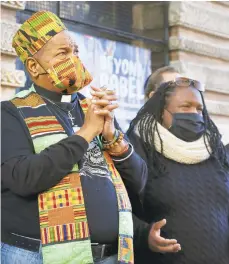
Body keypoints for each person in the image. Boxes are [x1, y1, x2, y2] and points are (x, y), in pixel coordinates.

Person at [1, 11, 148, 264]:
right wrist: (86, 133)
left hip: (110, 256)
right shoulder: (11, 113)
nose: (75, 59)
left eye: (76, 51)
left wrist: (112, 137)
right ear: (34, 67)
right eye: (62, 53)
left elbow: (140, 182)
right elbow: (23, 178)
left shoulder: (94, 109)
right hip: (36, 256)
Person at [127, 77, 229, 264]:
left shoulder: (215, 151)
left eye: (199, 109)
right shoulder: (138, 149)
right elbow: (118, 207)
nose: (195, 114)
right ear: (161, 112)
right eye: (185, 107)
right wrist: (144, 234)